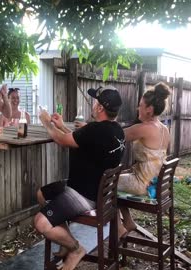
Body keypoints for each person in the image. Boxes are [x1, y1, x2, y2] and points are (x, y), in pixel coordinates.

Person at [34, 86, 125, 270]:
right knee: (42, 194)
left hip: (84, 195)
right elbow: (81, 141)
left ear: (100, 108)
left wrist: (46, 123)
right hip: (96, 191)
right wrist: (61, 126)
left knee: (41, 222)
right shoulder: (117, 131)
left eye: (95, 101)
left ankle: (75, 249)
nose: (92, 104)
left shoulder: (95, 129)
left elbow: (62, 141)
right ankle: (65, 242)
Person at [117, 82, 171, 237]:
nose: (137, 108)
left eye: (140, 105)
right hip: (156, 184)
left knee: (104, 186)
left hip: (142, 185)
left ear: (149, 109)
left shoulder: (144, 128)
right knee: (115, 181)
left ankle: (119, 228)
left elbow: (113, 136)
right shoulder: (164, 129)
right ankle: (128, 221)